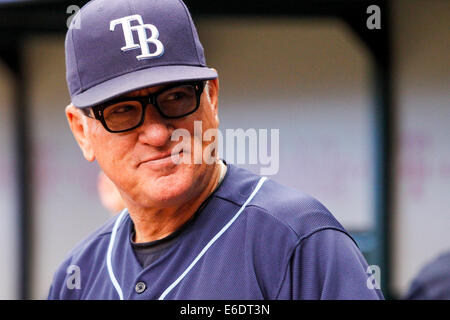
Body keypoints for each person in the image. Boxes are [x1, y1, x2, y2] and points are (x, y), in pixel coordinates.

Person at [48, 0, 383, 300]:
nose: (156, 132)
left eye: (176, 97)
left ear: (212, 97)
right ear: (82, 131)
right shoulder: (76, 277)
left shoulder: (299, 242)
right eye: (122, 110)